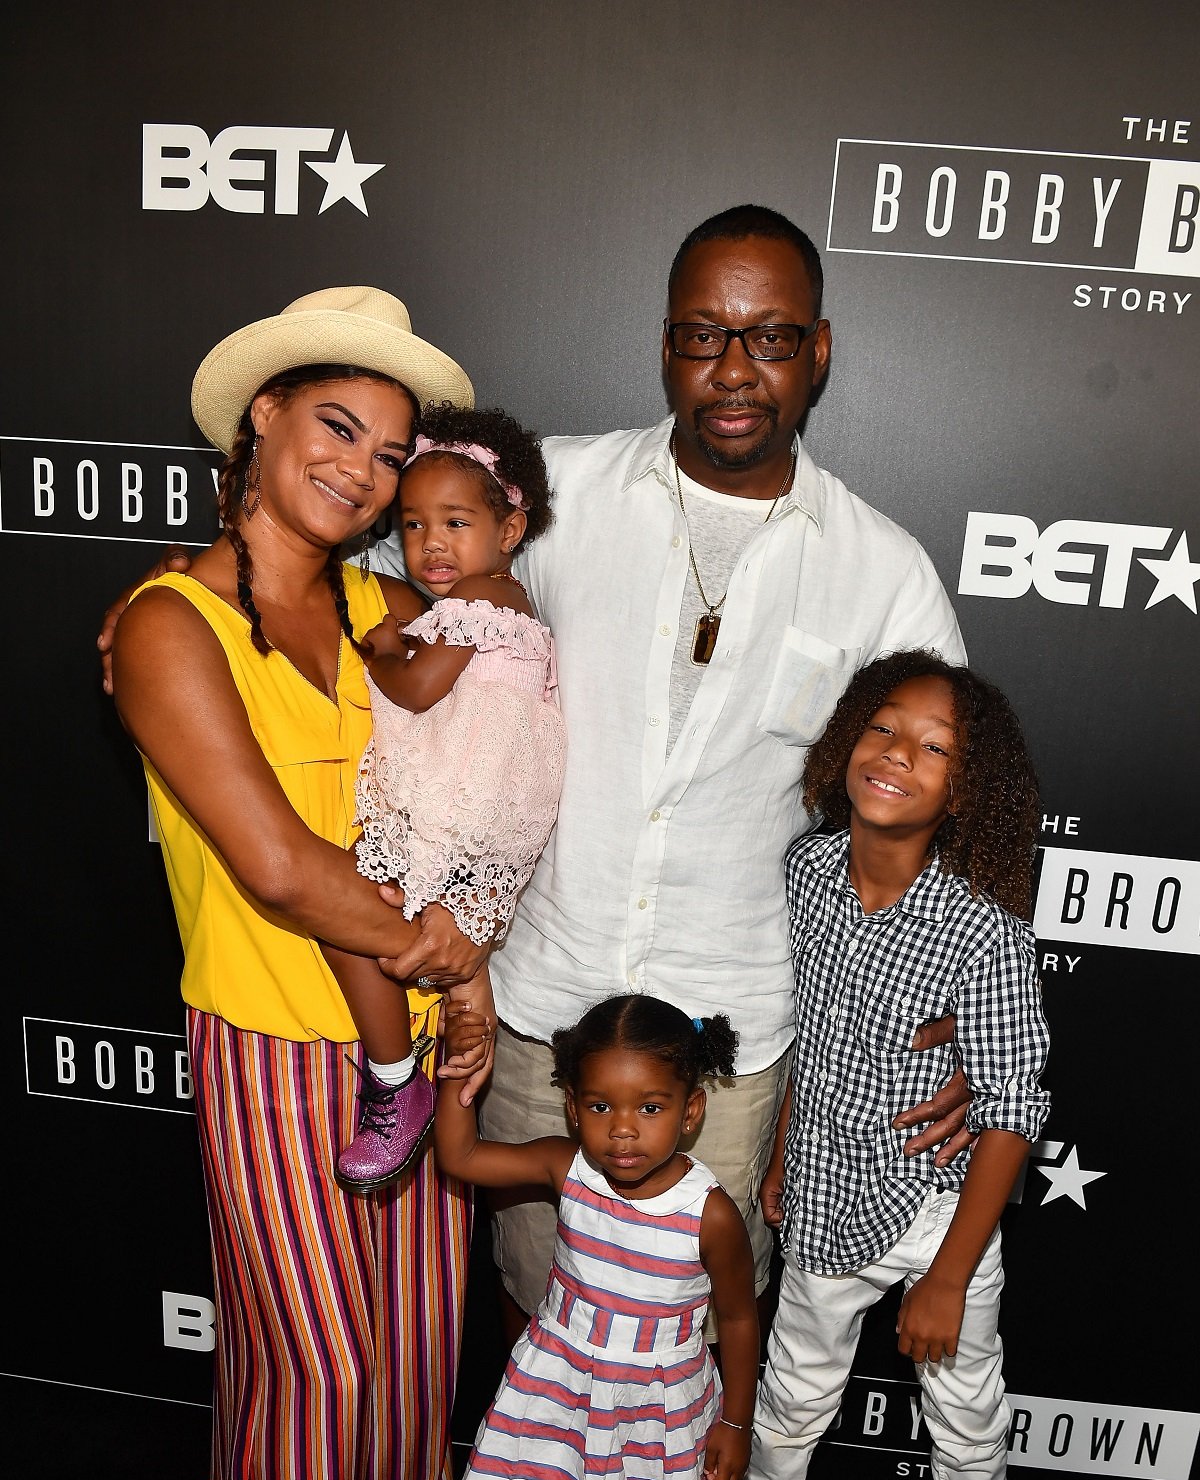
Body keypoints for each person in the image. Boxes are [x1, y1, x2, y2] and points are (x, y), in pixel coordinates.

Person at [98, 207, 973, 1345]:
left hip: (731, 1040)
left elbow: (942, 812)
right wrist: (166, 590)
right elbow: (329, 554)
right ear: (665, 345)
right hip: (530, 1015)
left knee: (699, 1333)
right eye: (704, 334)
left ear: (818, 351)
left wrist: (936, 1019)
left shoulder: (883, 570)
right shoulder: (547, 493)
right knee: (534, 1309)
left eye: (770, 336)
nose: (735, 367)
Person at [105, 285, 493, 1480]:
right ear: (260, 418)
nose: (364, 470)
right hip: (270, 1047)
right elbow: (273, 863)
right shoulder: (165, 622)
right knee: (312, 1365)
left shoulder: (383, 608)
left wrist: (465, 972)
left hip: (409, 1029)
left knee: (407, 1349)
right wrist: (445, 956)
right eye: (338, 425)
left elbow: (500, 658)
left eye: (393, 453)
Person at [697, 651, 1050, 1480]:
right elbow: (816, 1024)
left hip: (941, 1209)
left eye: (936, 747)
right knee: (796, 1399)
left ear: (966, 789)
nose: (899, 753)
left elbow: (1012, 1109)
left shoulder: (980, 924)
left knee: (968, 1414)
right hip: (824, 1195)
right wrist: (786, 1141)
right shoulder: (806, 872)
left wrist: (948, 1273)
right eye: (885, 726)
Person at [426, 994, 759, 1480]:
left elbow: (738, 1317)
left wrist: (737, 1418)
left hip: (659, 1403)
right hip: (557, 1385)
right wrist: (457, 1073)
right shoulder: (563, 1165)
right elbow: (459, 1157)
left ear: (692, 1108)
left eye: (650, 1105)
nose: (624, 1128)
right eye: (602, 1104)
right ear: (573, 1108)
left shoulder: (709, 1213)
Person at [321, 403, 565, 1195]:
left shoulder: (483, 602)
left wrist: (386, 650)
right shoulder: (492, 600)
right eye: (415, 523)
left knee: (350, 914)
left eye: (457, 522)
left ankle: (395, 1078)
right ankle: (464, 1012)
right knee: (441, 954)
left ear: (510, 528)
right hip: (482, 816)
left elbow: (422, 690)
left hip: (461, 805)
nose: (431, 545)